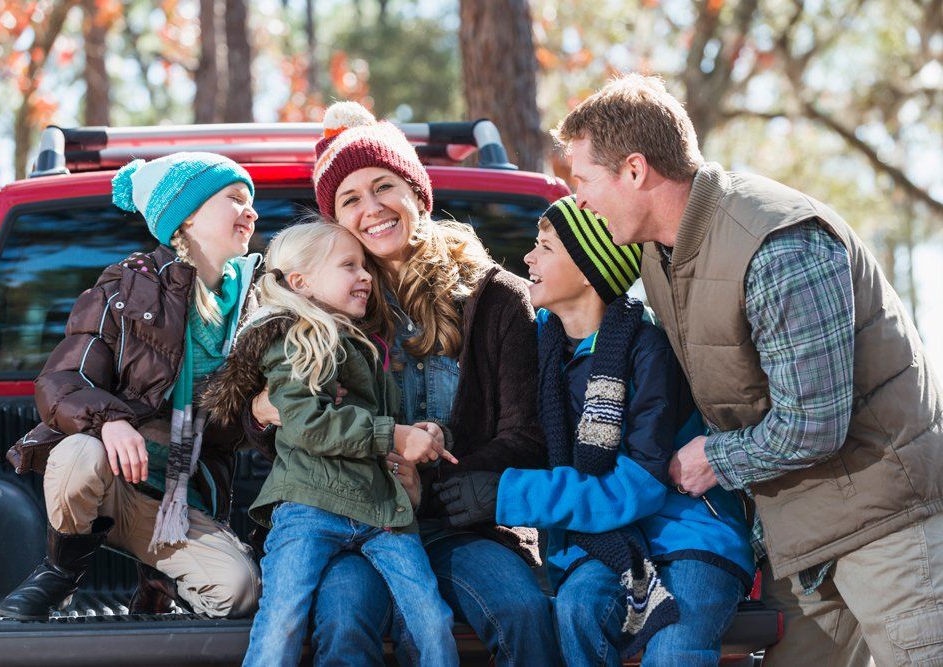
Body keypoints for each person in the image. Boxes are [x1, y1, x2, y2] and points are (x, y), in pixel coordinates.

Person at [552, 73, 943, 666]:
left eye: (583, 181)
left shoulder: (776, 243)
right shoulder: (659, 253)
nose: (579, 200)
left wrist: (715, 458)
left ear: (634, 171)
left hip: (887, 527)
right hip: (797, 538)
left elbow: (813, 423)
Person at [250, 101, 559, 666]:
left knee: (523, 611)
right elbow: (290, 422)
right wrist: (263, 412)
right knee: (343, 622)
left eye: (384, 186)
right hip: (351, 513)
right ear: (334, 222)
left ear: (417, 193)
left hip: (459, 527)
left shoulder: (497, 299)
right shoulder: (327, 308)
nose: (373, 208)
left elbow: (528, 435)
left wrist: (429, 478)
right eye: (350, 198)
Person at [436, 195, 754, 665]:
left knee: (676, 648)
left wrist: (506, 493)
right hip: (601, 540)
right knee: (578, 608)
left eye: (544, 247)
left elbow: (641, 485)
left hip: (687, 535)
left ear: (587, 270)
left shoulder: (648, 352)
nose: (528, 258)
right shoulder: (537, 343)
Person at [0, 152, 262, 620]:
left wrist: (261, 411)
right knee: (80, 453)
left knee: (239, 591)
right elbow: (62, 379)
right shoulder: (125, 287)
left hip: (175, 500)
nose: (252, 212)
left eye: (251, 202)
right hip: (110, 483)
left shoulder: (255, 302)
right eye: (236, 198)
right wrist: (112, 422)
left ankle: (165, 579)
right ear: (187, 214)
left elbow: (238, 423)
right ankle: (60, 573)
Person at [203, 221, 459, 667]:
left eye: (365, 266)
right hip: (310, 506)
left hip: (382, 509)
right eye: (349, 266)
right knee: (282, 618)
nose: (365, 276)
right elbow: (306, 423)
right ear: (300, 282)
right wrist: (392, 436)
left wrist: (422, 438)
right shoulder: (295, 339)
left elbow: (381, 423)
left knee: (431, 621)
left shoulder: (365, 345)